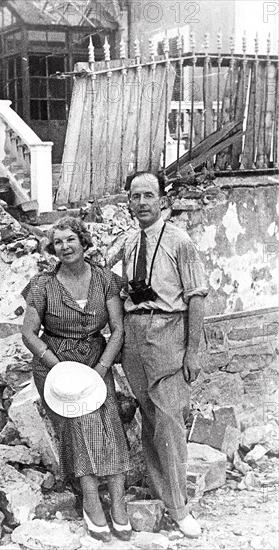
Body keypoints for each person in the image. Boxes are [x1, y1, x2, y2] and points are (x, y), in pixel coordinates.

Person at [21, 217, 132, 542]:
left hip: (97, 361)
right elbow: (28, 333)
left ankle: (119, 501)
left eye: (71, 239)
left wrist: (100, 369)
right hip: (55, 364)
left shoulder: (104, 280)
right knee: (80, 421)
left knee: (109, 419)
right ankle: (91, 500)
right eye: (59, 242)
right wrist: (60, 369)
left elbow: (118, 329)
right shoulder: (42, 284)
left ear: (83, 242)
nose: (65, 247)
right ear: (52, 249)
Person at [121, 171, 208, 539]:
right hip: (134, 336)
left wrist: (193, 350)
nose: (142, 203)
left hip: (168, 331)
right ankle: (162, 495)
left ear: (161, 199)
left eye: (148, 196)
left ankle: (179, 508)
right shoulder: (128, 242)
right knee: (150, 420)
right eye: (135, 196)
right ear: (128, 201)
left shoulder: (179, 241)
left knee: (170, 421)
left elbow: (197, 297)